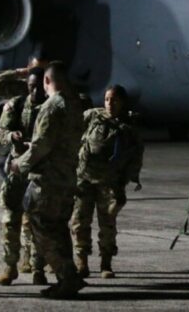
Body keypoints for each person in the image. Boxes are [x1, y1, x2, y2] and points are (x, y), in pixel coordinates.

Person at [10, 61, 86, 299]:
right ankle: (67, 277)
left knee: (42, 229)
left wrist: (18, 164)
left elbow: (42, 145)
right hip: (67, 177)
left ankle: (67, 276)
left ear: (46, 81)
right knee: (59, 228)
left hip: (48, 181)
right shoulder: (75, 105)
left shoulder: (52, 106)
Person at [72, 85, 144, 279]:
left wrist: (128, 178)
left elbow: (136, 155)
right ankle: (82, 262)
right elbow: (73, 124)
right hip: (84, 179)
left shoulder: (128, 128)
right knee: (80, 222)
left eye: (114, 100)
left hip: (110, 182)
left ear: (122, 102)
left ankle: (106, 263)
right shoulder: (94, 116)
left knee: (107, 224)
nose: (110, 104)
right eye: (106, 99)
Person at [0, 67, 48, 286]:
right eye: (30, 86)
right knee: (10, 219)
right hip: (17, 169)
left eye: (38, 86)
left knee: (39, 221)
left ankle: (38, 267)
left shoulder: (51, 108)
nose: (34, 91)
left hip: (39, 169)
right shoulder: (16, 105)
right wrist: (11, 136)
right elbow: (1, 133)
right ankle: (10, 265)